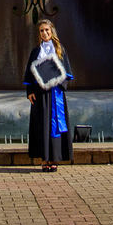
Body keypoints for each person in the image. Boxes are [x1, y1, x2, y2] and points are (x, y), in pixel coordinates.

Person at [23, 18, 73, 171]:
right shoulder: (36, 52)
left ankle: (54, 159)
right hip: (40, 96)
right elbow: (29, 74)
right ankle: (44, 159)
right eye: (41, 31)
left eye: (47, 30)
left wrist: (58, 81)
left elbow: (67, 73)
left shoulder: (59, 49)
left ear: (52, 32)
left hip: (55, 94)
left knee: (55, 126)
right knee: (42, 126)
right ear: (39, 34)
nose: (44, 33)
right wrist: (30, 91)